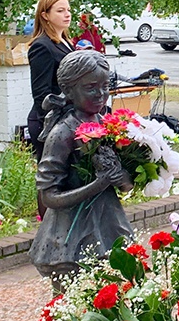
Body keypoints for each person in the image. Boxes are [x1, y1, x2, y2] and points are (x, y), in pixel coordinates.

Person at [29, 50, 134, 293]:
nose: (101, 95)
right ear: (68, 90)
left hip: (109, 226)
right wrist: (98, 184)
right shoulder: (63, 133)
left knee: (112, 301)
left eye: (105, 86)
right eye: (90, 88)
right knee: (69, 305)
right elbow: (48, 197)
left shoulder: (107, 123)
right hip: (69, 238)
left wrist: (122, 178)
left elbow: (126, 185)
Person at [27, 0, 74, 161]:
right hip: (48, 123)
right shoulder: (42, 46)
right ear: (45, 15)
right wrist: (53, 128)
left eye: (68, 10)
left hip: (68, 119)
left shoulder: (66, 42)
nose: (67, 14)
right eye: (60, 11)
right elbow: (41, 94)